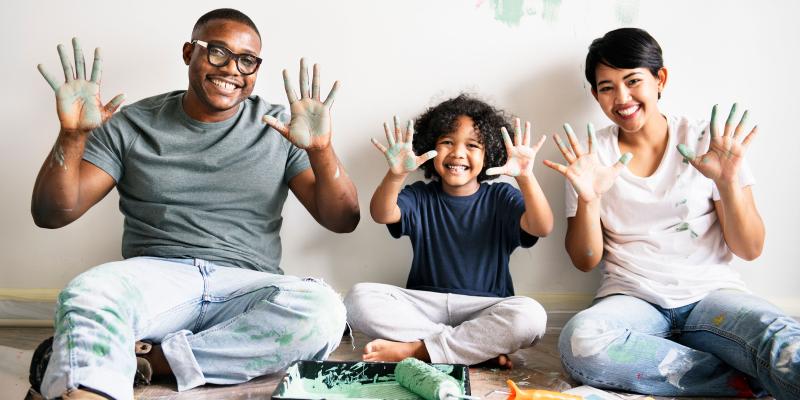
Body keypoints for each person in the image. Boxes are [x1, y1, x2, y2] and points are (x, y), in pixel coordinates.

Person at [28, 8, 359, 400]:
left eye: (247, 60)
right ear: (189, 53)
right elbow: (51, 214)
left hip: (245, 283)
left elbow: (342, 220)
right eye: (217, 52)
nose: (232, 69)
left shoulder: (281, 127)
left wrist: (321, 151)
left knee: (323, 312)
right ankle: (91, 388)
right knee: (88, 292)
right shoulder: (132, 123)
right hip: (157, 277)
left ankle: (151, 359)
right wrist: (71, 136)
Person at [544, 28, 799, 398]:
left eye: (633, 81)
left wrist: (728, 184)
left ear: (659, 79)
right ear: (596, 95)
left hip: (712, 296)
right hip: (633, 300)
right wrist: (588, 198)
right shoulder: (589, 157)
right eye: (606, 87)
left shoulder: (705, 141)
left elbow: (750, 248)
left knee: (784, 343)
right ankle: (741, 384)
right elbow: (585, 260)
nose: (622, 98)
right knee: (581, 343)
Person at [344, 95, 552, 368]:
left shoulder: (501, 196)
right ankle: (472, 350)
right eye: (447, 142)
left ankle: (418, 350)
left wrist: (526, 177)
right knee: (358, 298)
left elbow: (542, 226)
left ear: (489, 153)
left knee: (531, 317)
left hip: (484, 308)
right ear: (431, 147)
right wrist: (395, 175)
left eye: (473, 145)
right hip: (424, 306)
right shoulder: (420, 196)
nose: (457, 153)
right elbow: (382, 213)